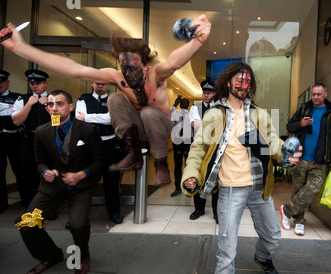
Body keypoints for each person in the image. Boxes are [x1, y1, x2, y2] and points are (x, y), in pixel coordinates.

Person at [0, 14, 211, 186]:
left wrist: (198, 40)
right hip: (138, 130)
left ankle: (161, 163)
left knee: (147, 111)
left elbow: (175, 60)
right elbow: (74, 69)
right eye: (124, 68)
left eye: (134, 67)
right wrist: (20, 48)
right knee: (115, 100)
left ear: (145, 66)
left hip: (162, 128)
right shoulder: (116, 77)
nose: (128, 73)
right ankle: (132, 153)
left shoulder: (157, 74)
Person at [181, 62, 302, 274]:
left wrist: (285, 154)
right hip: (230, 190)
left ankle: (263, 257)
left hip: (258, 188)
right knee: (227, 251)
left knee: (273, 237)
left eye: (247, 81)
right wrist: (191, 174)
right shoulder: (214, 115)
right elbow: (198, 148)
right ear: (228, 82)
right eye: (239, 80)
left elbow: (272, 142)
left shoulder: (260, 115)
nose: (243, 85)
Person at [15, 90, 104, 274]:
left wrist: (81, 174)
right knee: (27, 223)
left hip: (80, 187)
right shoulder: (42, 131)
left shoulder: (87, 130)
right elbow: (39, 161)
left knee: (77, 225)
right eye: (50, 104)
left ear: (71, 107)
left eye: (59, 104)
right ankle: (51, 255)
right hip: (52, 187)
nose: (54, 108)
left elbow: (99, 161)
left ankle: (83, 256)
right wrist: (44, 171)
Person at [280, 83, 331, 235]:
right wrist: (300, 124)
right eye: (314, 94)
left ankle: (286, 210)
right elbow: (290, 126)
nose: (315, 97)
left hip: (320, 160)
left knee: (313, 189)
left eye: (319, 94)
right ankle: (300, 221)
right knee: (298, 189)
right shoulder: (304, 108)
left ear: (325, 94)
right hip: (301, 157)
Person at [75, 82, 123, 224]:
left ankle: (114, 212)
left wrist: (87, 117)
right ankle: (79, 214)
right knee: (85, 182)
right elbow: (79, 119)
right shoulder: (83, 100)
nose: (100, 86)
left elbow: (111, 119)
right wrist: (101, 118)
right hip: (89, 145)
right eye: (97, 83)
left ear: (107, 85)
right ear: (92, 83)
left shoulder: (114, 101)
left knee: (112, 182)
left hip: (109, 145)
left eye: (103, 84)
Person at [11, 69, 51, 207]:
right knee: (27, 175)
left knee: (48, 175)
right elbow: (16, 121)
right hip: (29, 141)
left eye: (38, 83)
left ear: (45, 84)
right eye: (32, 83)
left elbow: (59, 121)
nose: (35, 86)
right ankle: (30, 205)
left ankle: (48, 207)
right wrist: (29, 104)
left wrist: (46, 104)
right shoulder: (23, 99)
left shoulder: (53, 99)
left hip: (48, 141)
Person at [188, 80, 218, 221]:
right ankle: (199, 209)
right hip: (199, 147)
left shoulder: (219, 108)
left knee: (216, 178)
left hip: (214, 148)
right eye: (204, 93)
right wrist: (211, 125)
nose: (206, 95)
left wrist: (203, 124)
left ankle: (217, 212)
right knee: (198, 178)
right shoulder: (195, 107)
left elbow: (218, 128)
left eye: (209, 93)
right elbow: (195, 127)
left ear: (214, 93)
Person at [0, 70, 24, 213]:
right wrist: (9, 108)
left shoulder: (16, 97)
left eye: (2, 82)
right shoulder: (14, 101)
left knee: (19, 169)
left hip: (14, 138)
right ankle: (2, 203)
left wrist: (12, 108)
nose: (0, 85)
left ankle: (25, 199)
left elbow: (17, 112)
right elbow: (12, 110)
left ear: (7, 82)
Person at [169, 96, 192, 197]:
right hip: (177, 142)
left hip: (188, 142)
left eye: (186, 102)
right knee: (177, 166)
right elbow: (168, 115)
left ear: (188, 105)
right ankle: (177, 188)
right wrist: (174, 104)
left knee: (188, 166)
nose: (184, 104)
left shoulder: (192, 114)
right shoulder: (176, 113)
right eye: (182, 102)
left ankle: (188, 188)